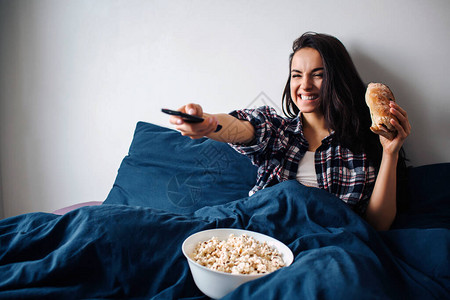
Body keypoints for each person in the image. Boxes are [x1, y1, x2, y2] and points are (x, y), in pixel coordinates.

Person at [168, 32, 411, 231]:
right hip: (262, 235)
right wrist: (209, 123)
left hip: (327, 244)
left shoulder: (363, 144)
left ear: (338, 79)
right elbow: (244, 128)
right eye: (297, 75)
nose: (305, 85)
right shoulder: (278, 132)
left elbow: (377, 226)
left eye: (318, 75)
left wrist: (390, 153)